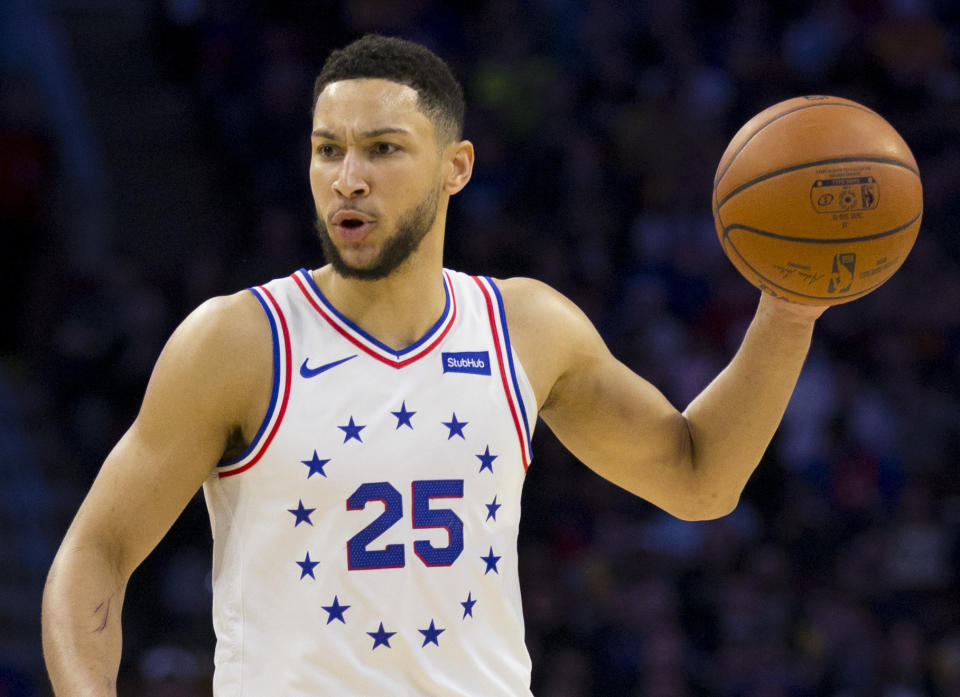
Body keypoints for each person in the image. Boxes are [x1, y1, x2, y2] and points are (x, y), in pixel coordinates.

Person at [41, 34, 826, 696]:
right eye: (328, 150)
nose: (348, 176)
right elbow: (95, 553)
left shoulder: (525, 327)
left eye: (383, 149)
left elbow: (700, 479)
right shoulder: (240, 340)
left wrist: (789, 312)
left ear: (457, 167)